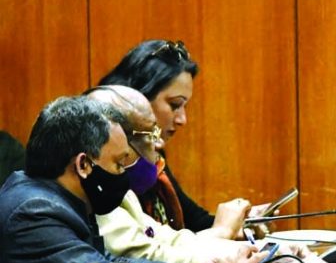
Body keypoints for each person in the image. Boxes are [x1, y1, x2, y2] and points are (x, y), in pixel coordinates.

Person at [0, 96, 261, 263]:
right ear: (83, 165)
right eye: (118, 163)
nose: (122, 174)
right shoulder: (34, 213)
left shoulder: (52, 197)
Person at [98, 39, 266, 233]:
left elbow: (193, 224)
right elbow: (148, 248)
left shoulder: (153, 161)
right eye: (175, 105)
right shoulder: (106, 168)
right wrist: (222, 231)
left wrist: (240, 224)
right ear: (137, 99)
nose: (182, 120)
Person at [85, 85, 261, 263]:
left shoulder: (122, 191)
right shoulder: (98, 195)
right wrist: (223, 235)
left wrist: (246, 250)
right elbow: (146, 258)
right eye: (151, 133)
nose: (160, 143)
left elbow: (169, 240)